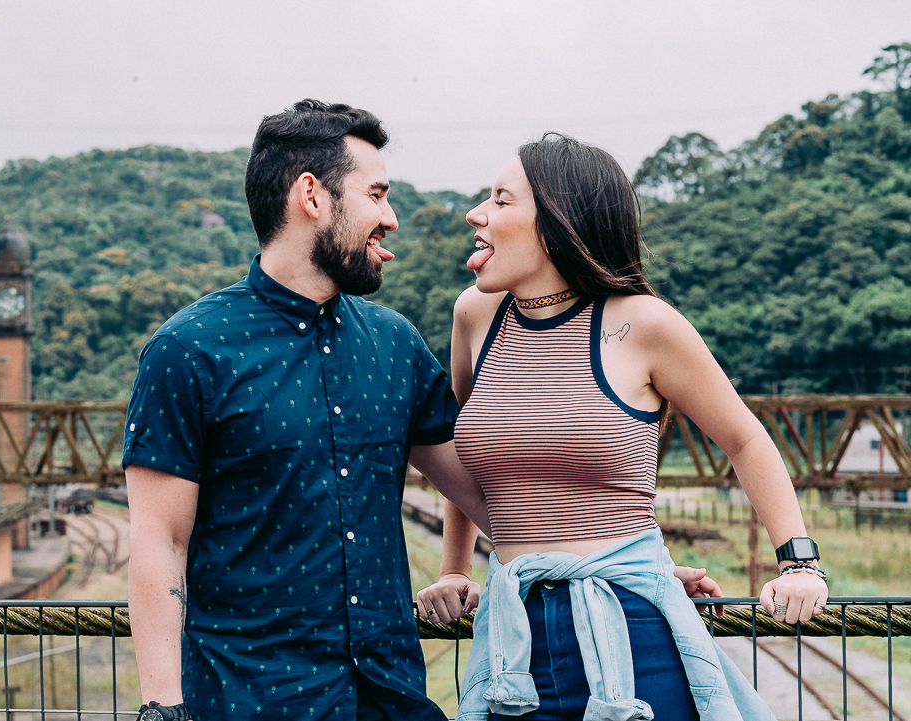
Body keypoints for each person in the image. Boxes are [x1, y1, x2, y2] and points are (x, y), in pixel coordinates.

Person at [416, 134, 829, 721]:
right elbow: (461, 457)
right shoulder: (475, 315)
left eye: (501, 201)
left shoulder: (644, 323)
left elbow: (744, 437)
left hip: (631, 625)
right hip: (513, 632)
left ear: (558, 222)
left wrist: (798, 563)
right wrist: (454, 570)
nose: (475, 214)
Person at [122, 99, 492, 721]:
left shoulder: (395, 345)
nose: (392, 218)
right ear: (312, 196)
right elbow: (160, 542)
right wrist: (163, 708)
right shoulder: (186, 350)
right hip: (248, 702)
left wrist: (631, 565)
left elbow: (491, 493)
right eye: (376, 194)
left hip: (390, 698)